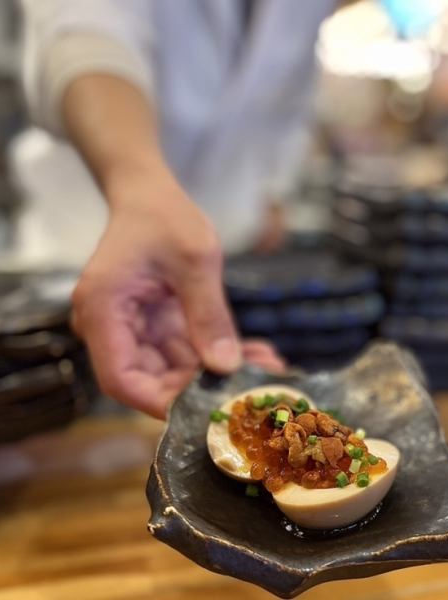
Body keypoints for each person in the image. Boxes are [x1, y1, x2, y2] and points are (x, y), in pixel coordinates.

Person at [20, 0, 337, 418]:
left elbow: (289, 101)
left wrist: (272, 192)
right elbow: (84, 33)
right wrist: (139, 187)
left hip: (216, 277)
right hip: (93, 263)